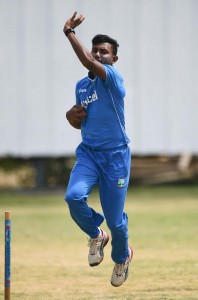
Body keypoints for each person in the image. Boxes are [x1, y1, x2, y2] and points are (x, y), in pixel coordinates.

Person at [63, 12, 133, 287]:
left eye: (104, 52)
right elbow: (81, 123)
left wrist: (69, 32)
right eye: (95, 50)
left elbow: (86, 61)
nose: (98, 54)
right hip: (89, 153)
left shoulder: (112, 79)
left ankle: (122, 256)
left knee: (116, 222)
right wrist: (71, 118)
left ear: (113, 59)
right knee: (73, 197)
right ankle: (95, 234)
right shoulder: (82, 85)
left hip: (116, 156)